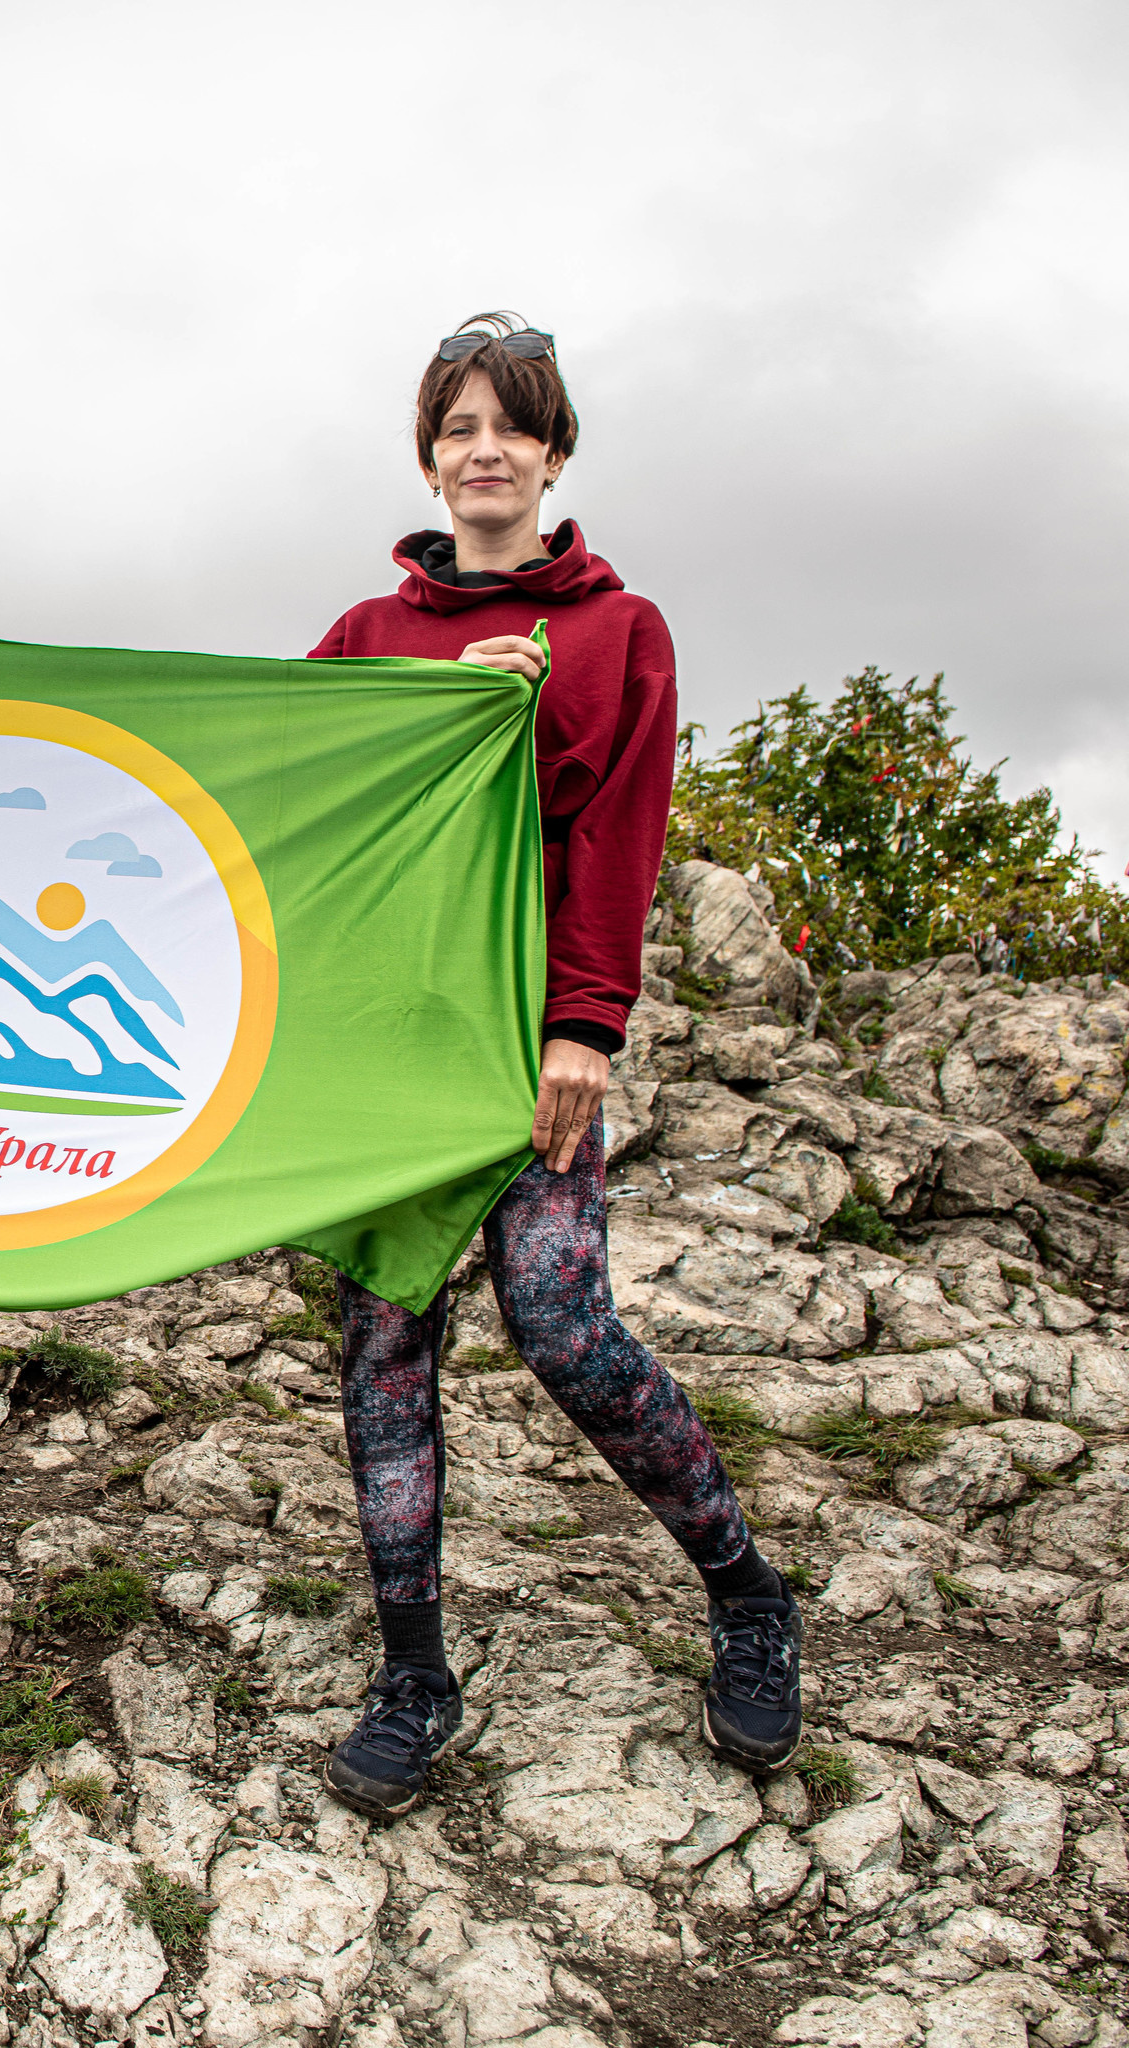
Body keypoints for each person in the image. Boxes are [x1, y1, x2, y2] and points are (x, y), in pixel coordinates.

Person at [304, 312, 801, 1817]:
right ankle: (413, 1674)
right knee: (386, 1348)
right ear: (428, 457)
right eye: (457, 426)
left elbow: (617, 840)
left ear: (555, 452)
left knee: (565, 1326)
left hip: (527, 1051)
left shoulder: (615, 631)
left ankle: (749, 1595)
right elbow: (282, 796)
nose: (483, 450)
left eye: (510, 425)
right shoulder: (369, 638)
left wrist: (587, 1026)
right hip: (384, 1057)